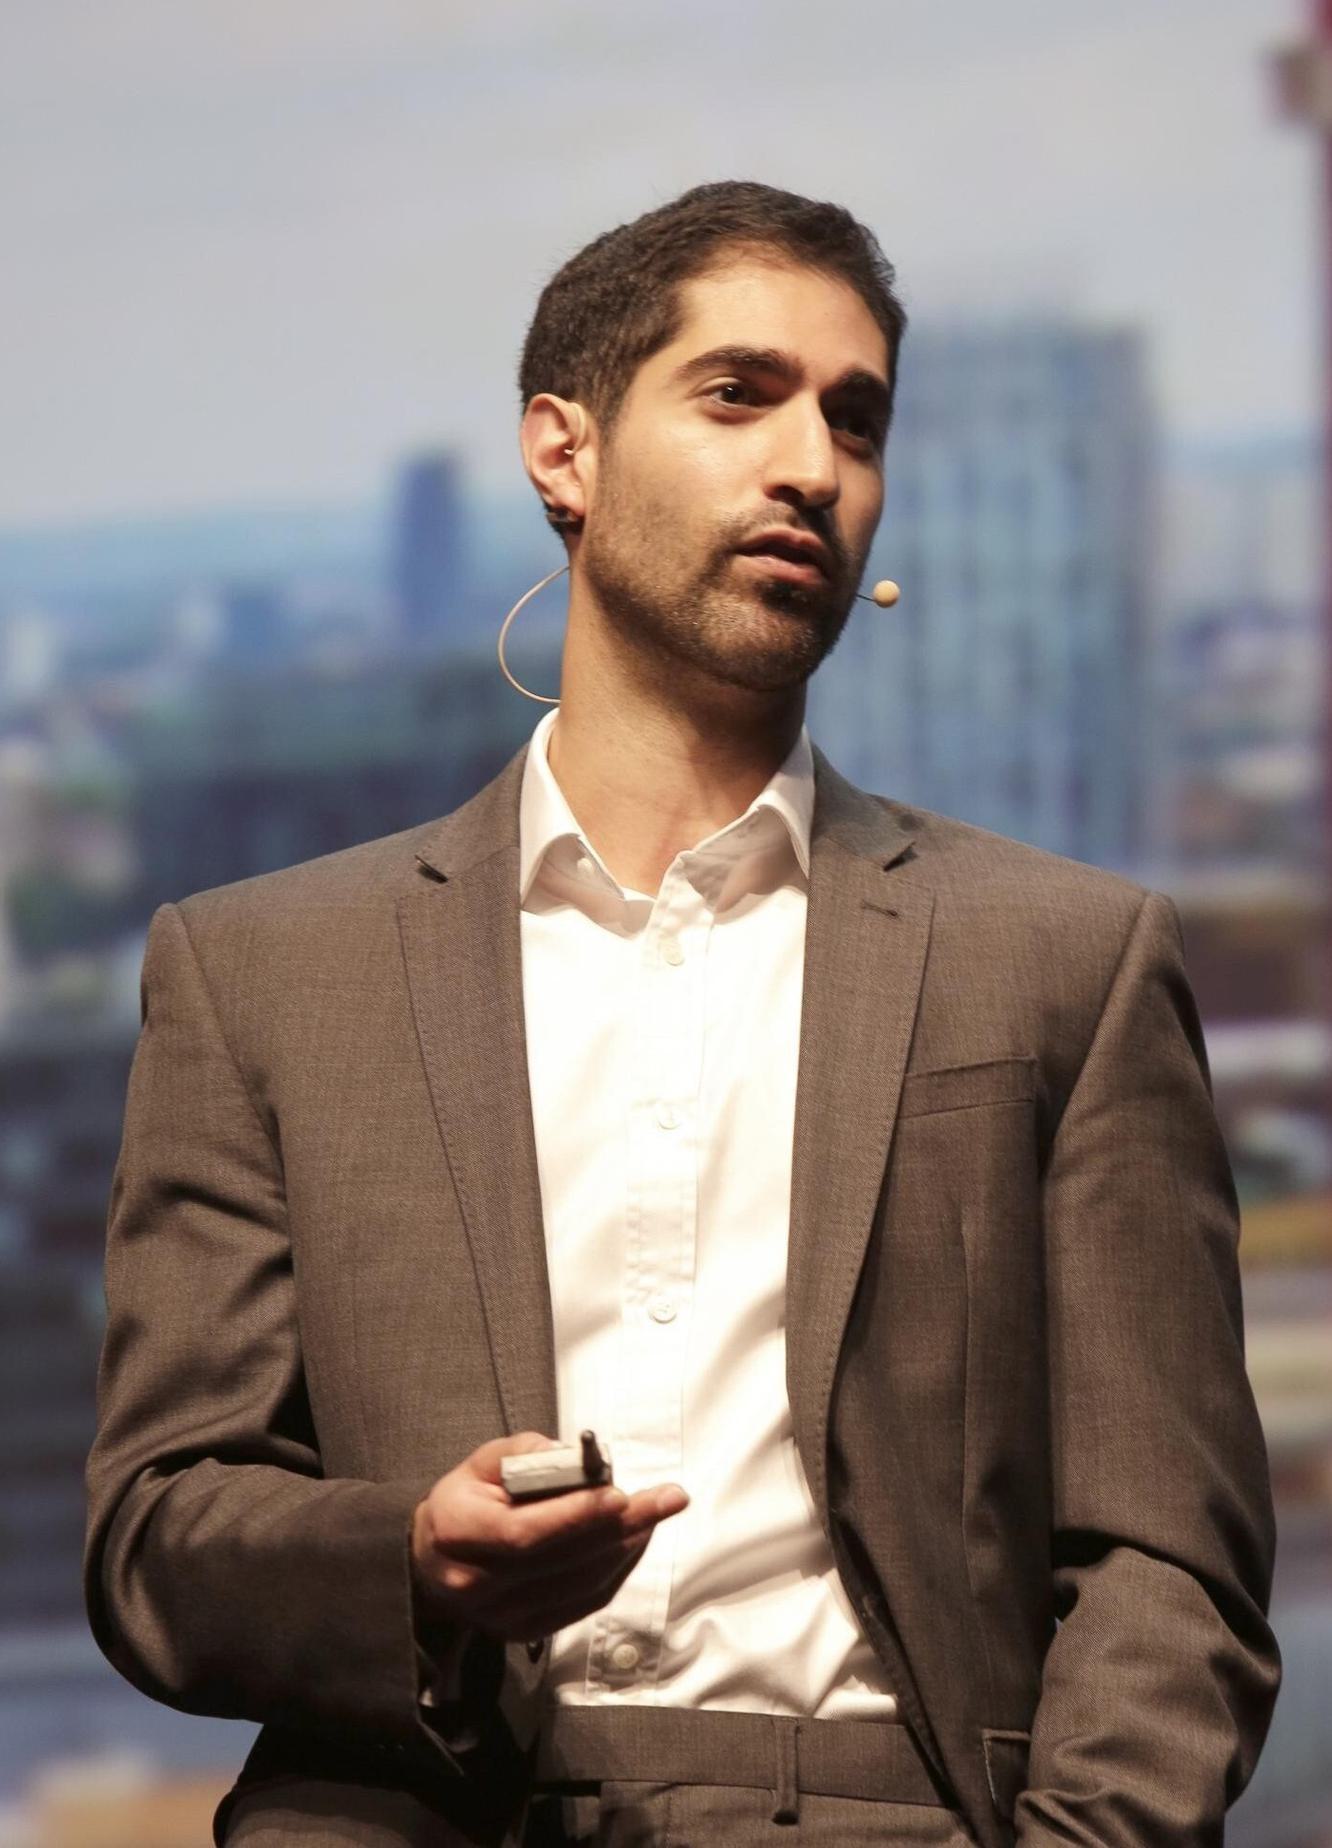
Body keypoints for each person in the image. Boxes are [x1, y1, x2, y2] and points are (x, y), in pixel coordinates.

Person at [85, 180, 1279, 1847]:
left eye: (855, 421)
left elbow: (1168, 1557)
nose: (812, 466)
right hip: (419, 1807)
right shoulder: (266, 972)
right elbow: (154, 1540)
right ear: (561, 452)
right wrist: (412, 1564)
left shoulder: (1063, 958)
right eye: (739, 395)